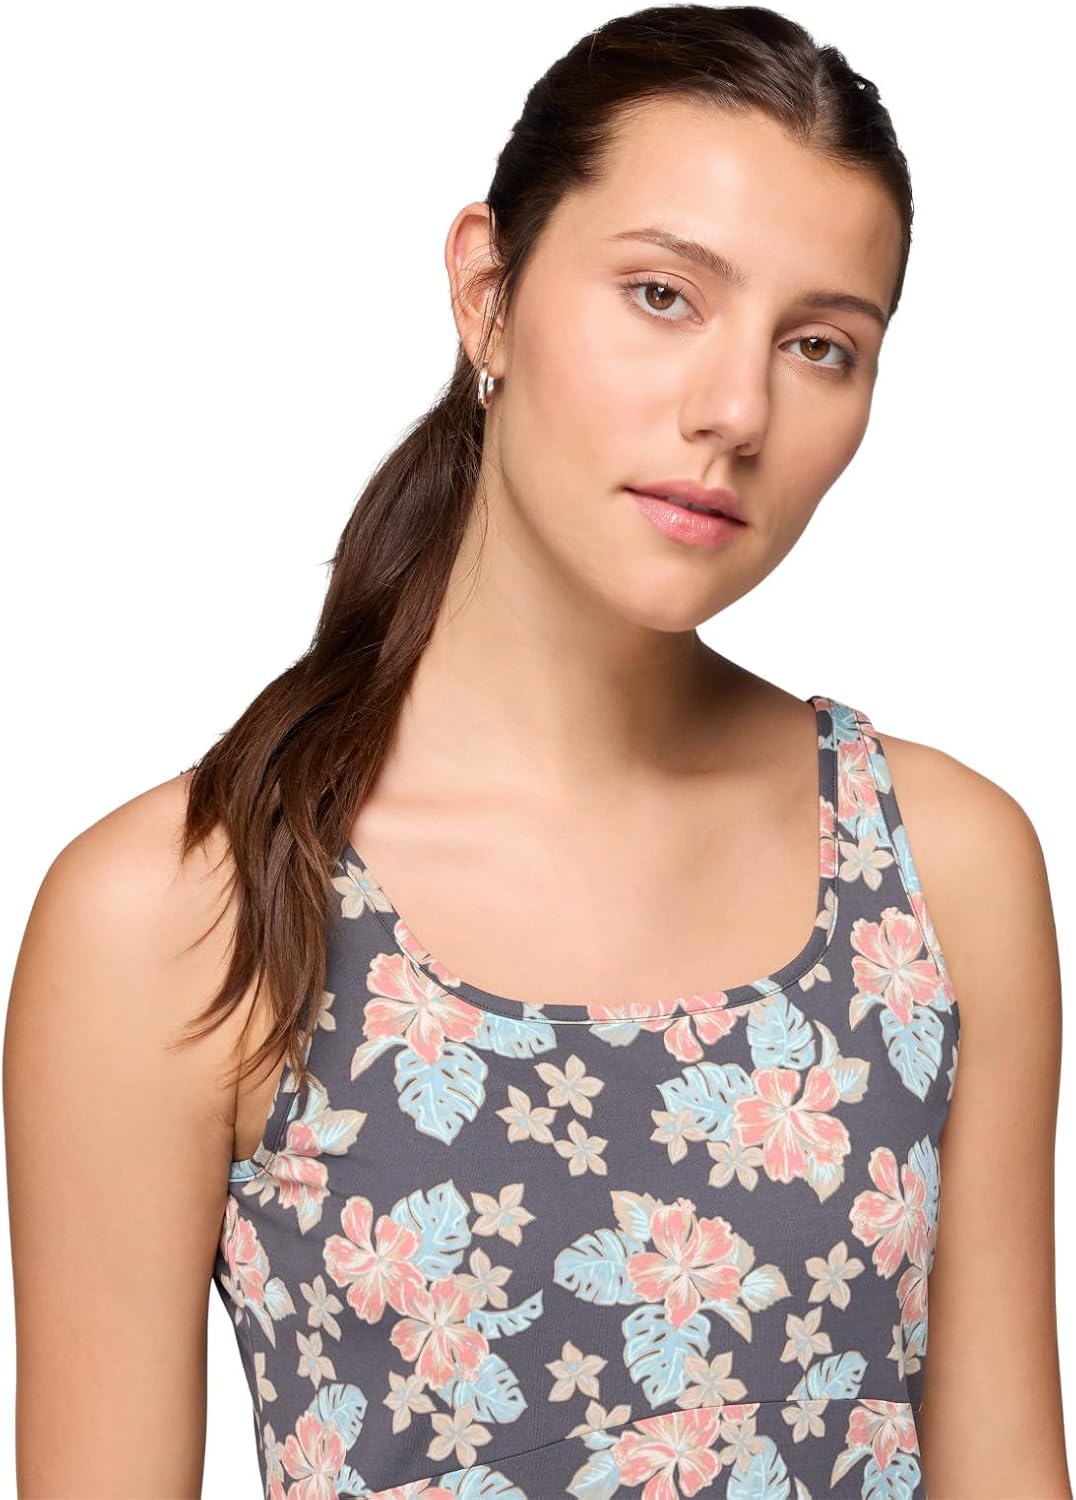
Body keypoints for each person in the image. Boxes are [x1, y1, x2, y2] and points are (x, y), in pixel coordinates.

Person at [5, 5, 1069, 1496]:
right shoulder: (186, 914)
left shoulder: (942, 867)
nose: (736, 411)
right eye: (662, 294)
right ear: (487, 292)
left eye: (820, 346)